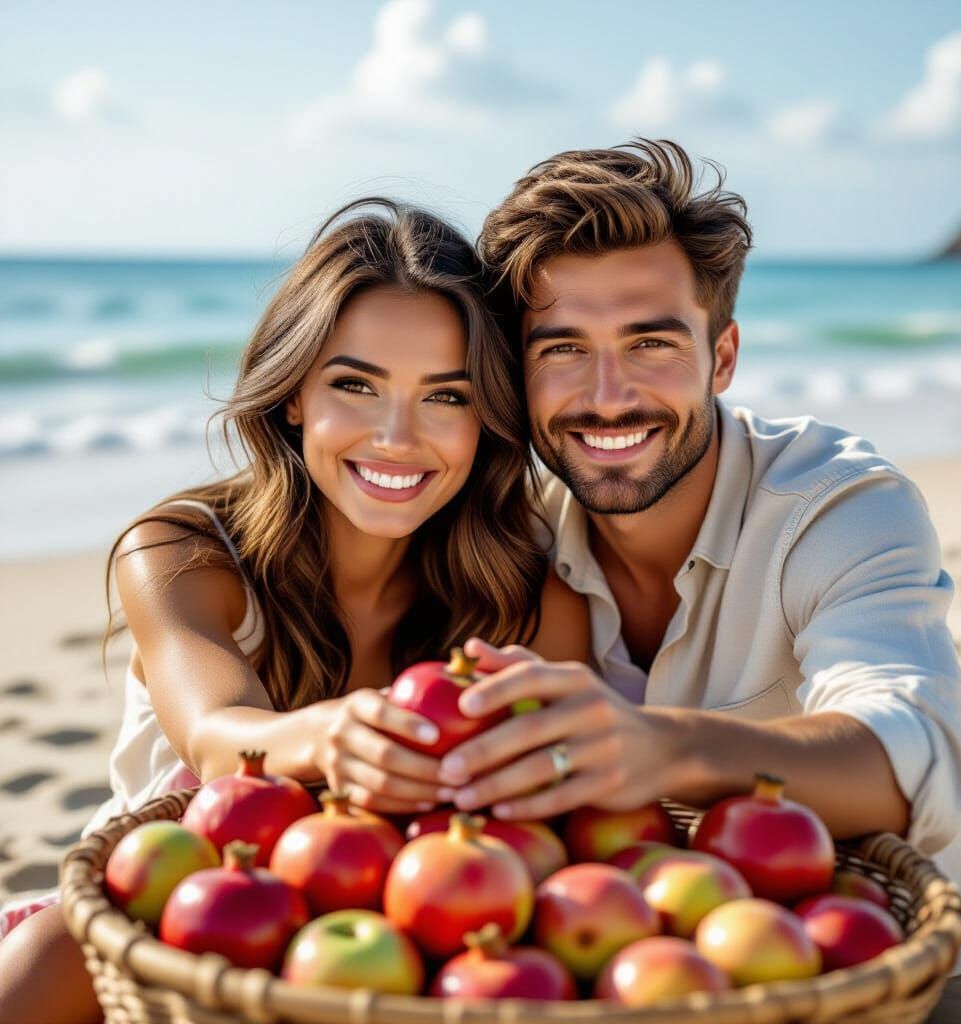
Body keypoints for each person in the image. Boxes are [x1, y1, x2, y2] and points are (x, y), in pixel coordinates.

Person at [423, 140, 961, 1023]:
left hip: (895, 967)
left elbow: (913, 756)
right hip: (618, 978)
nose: (608, 395)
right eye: (562, 350)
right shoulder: (505, 526)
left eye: (651, 342)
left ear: (724, 356)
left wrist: (661, 748)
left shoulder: (840, 504)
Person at [0, 199, 589, 1023]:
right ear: (292, 396)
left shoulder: (524, 591)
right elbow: (213, 736)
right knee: (43, 957)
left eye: (446, 398)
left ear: (487, 420)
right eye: (355, 385)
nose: (395, 435)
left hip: (414, 949)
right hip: (179, 917)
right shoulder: (182, 551)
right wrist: (332, 733)